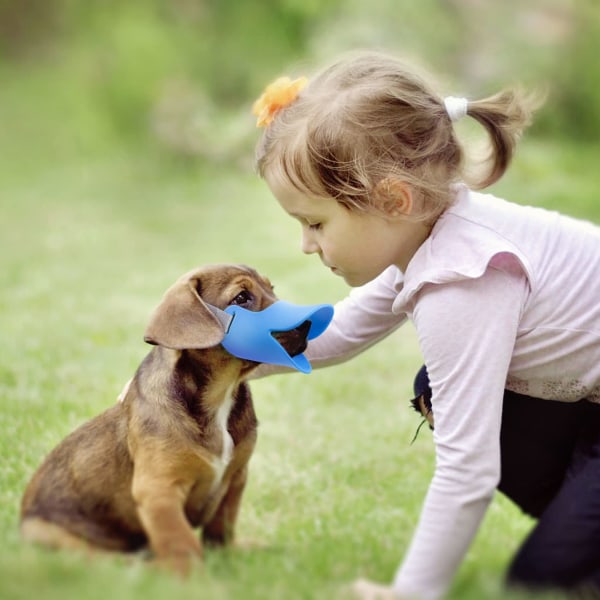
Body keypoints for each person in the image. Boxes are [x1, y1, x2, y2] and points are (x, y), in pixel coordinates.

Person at [250, 50, 600, 599]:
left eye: (315, 223)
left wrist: (412, 593)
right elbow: (338, 333)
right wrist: (219, 357)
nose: (306, 245)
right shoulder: (427, 234)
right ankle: (576, 524)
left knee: (548, 584)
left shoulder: (464, 277)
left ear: (393, 199)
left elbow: (468, 470)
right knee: (434, 388)